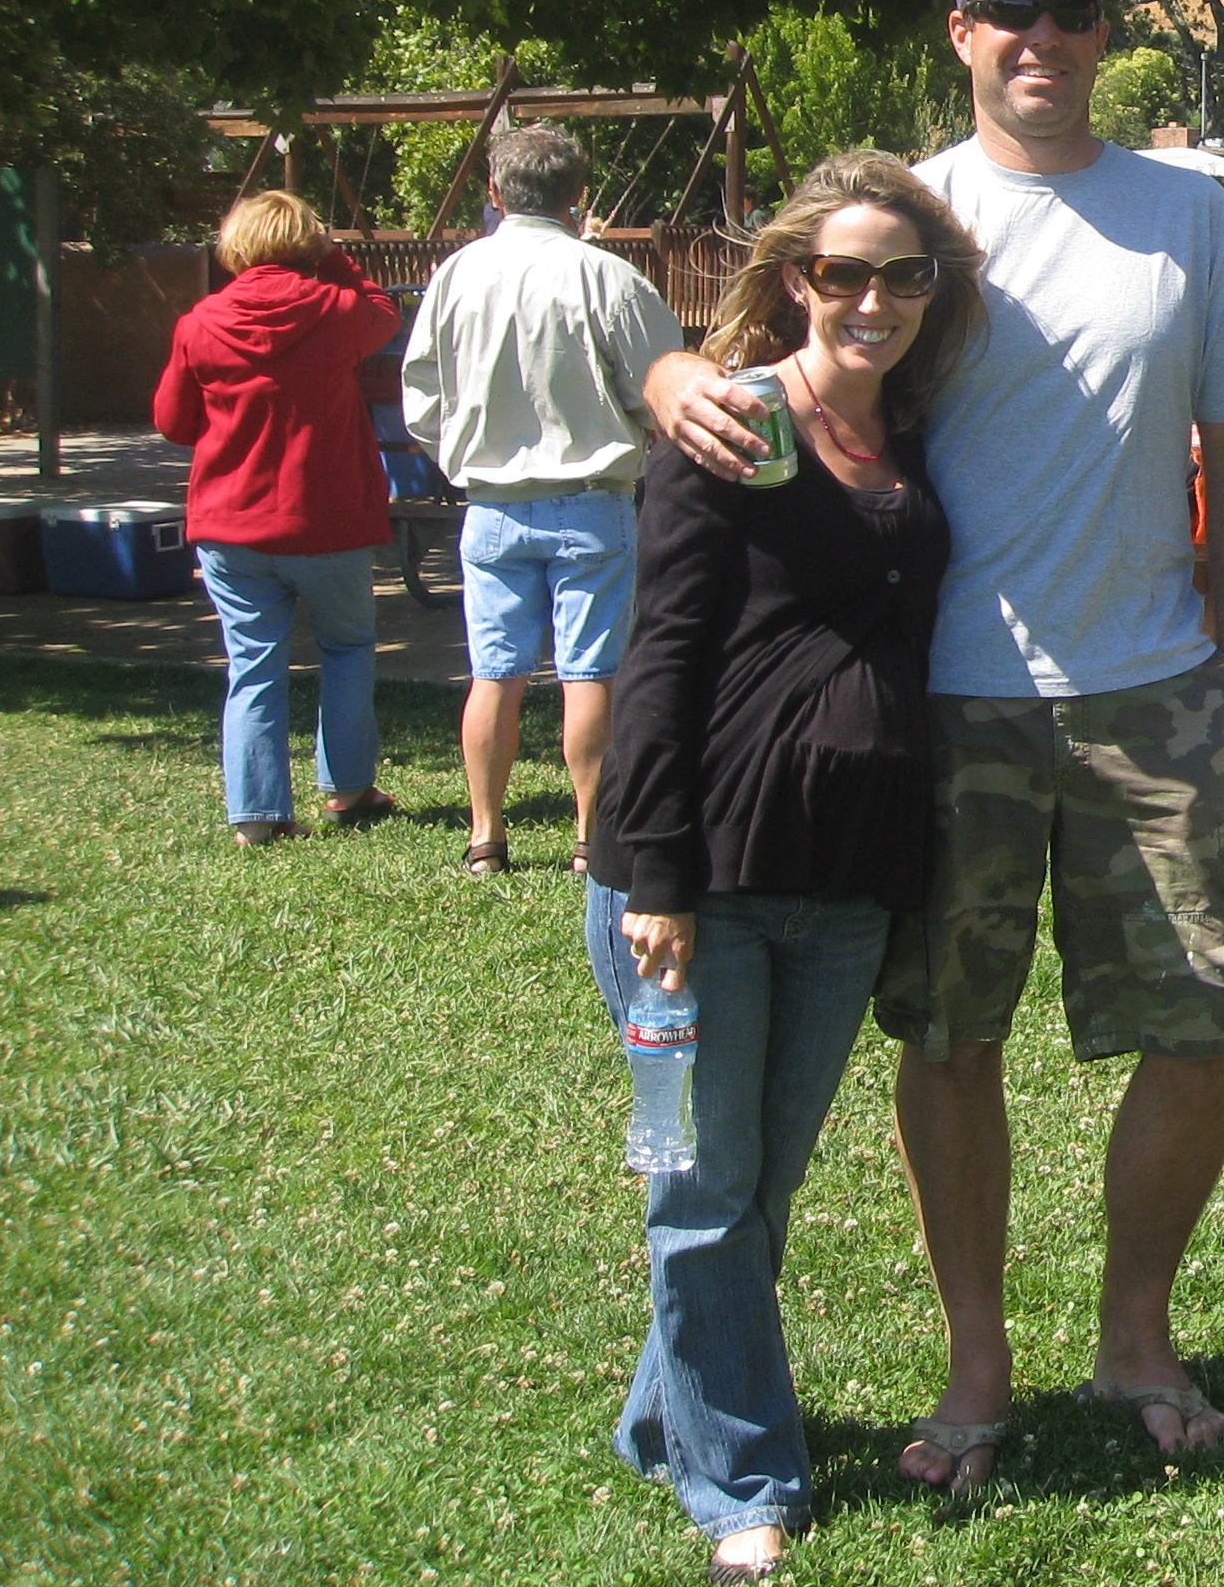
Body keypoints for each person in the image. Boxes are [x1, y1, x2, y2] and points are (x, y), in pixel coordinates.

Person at [647, 0, 1224, 1489]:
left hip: (1156, 688)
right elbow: (754, 353)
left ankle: (1135, 1334)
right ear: (963, 33)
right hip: (944, 701)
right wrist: (664, 378)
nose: (1043, 38)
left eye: (1072, 10)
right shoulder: (914, 216)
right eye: (1014, 11)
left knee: (1204, 1025)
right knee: (948, 1037)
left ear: (1107, 32)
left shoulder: (1191, 219)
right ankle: (977, 1361)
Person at [586, 152, 980, 1578]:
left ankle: (667, 1419)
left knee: (755, 1195)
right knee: (699, 1191)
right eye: (843, 273)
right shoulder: (738, 424)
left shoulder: (914, 433)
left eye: (902, 276)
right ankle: (743, 1480)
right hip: (699, 880)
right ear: (796, 279)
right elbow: (662, 656)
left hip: (844, 882)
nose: (873, 300)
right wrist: (654, 876)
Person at [403, 124, 684, 875]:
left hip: (491, 503)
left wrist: (462, 451)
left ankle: (486, 835)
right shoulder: (608, 277)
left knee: (494, 673)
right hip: (591, 500)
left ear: (494, 192)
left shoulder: (455, 276)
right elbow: (662, 389)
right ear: (578, 194)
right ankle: (592, 835)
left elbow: (422, 398)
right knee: (590, 673)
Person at [152, 191, 404, 845]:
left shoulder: (199, 323)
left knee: (253, 666)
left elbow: (173, 422)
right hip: (328, 520)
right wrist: (336, 257)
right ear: (308, 244)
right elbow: (383, 311)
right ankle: (348, 789)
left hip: (231, 525)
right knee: (346, 650)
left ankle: (257, 815)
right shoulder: (336, 312)